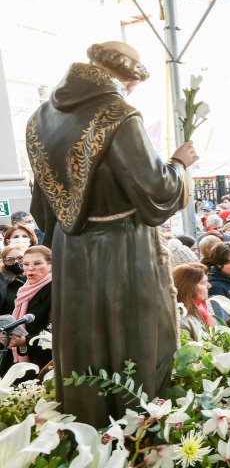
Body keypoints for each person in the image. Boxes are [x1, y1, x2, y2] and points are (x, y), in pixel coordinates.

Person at [28, 42, 196, 427]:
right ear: (130, 77)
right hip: (122, 247)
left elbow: (42, 204)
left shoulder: (40, 116)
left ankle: (86, 423)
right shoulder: (119, 112)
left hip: (69, 249)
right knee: (133, 337)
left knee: (85, 338)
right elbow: (158, 190)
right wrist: (180, 164)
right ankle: (134, 432)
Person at [0, 246, 53, 381]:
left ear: (51, 265)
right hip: (20, 359)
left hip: (46, 363)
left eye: (37, 263)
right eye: (26, 264)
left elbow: (55, 333)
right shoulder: (25, 289)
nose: (30, 268)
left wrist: (25, 341)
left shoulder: (56, 290)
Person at [173, 262, 216, 342]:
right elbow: (189, 352)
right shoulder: (180, 320)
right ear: (189, 288)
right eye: (204, 283)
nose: (209, 286)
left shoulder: (206, 304)